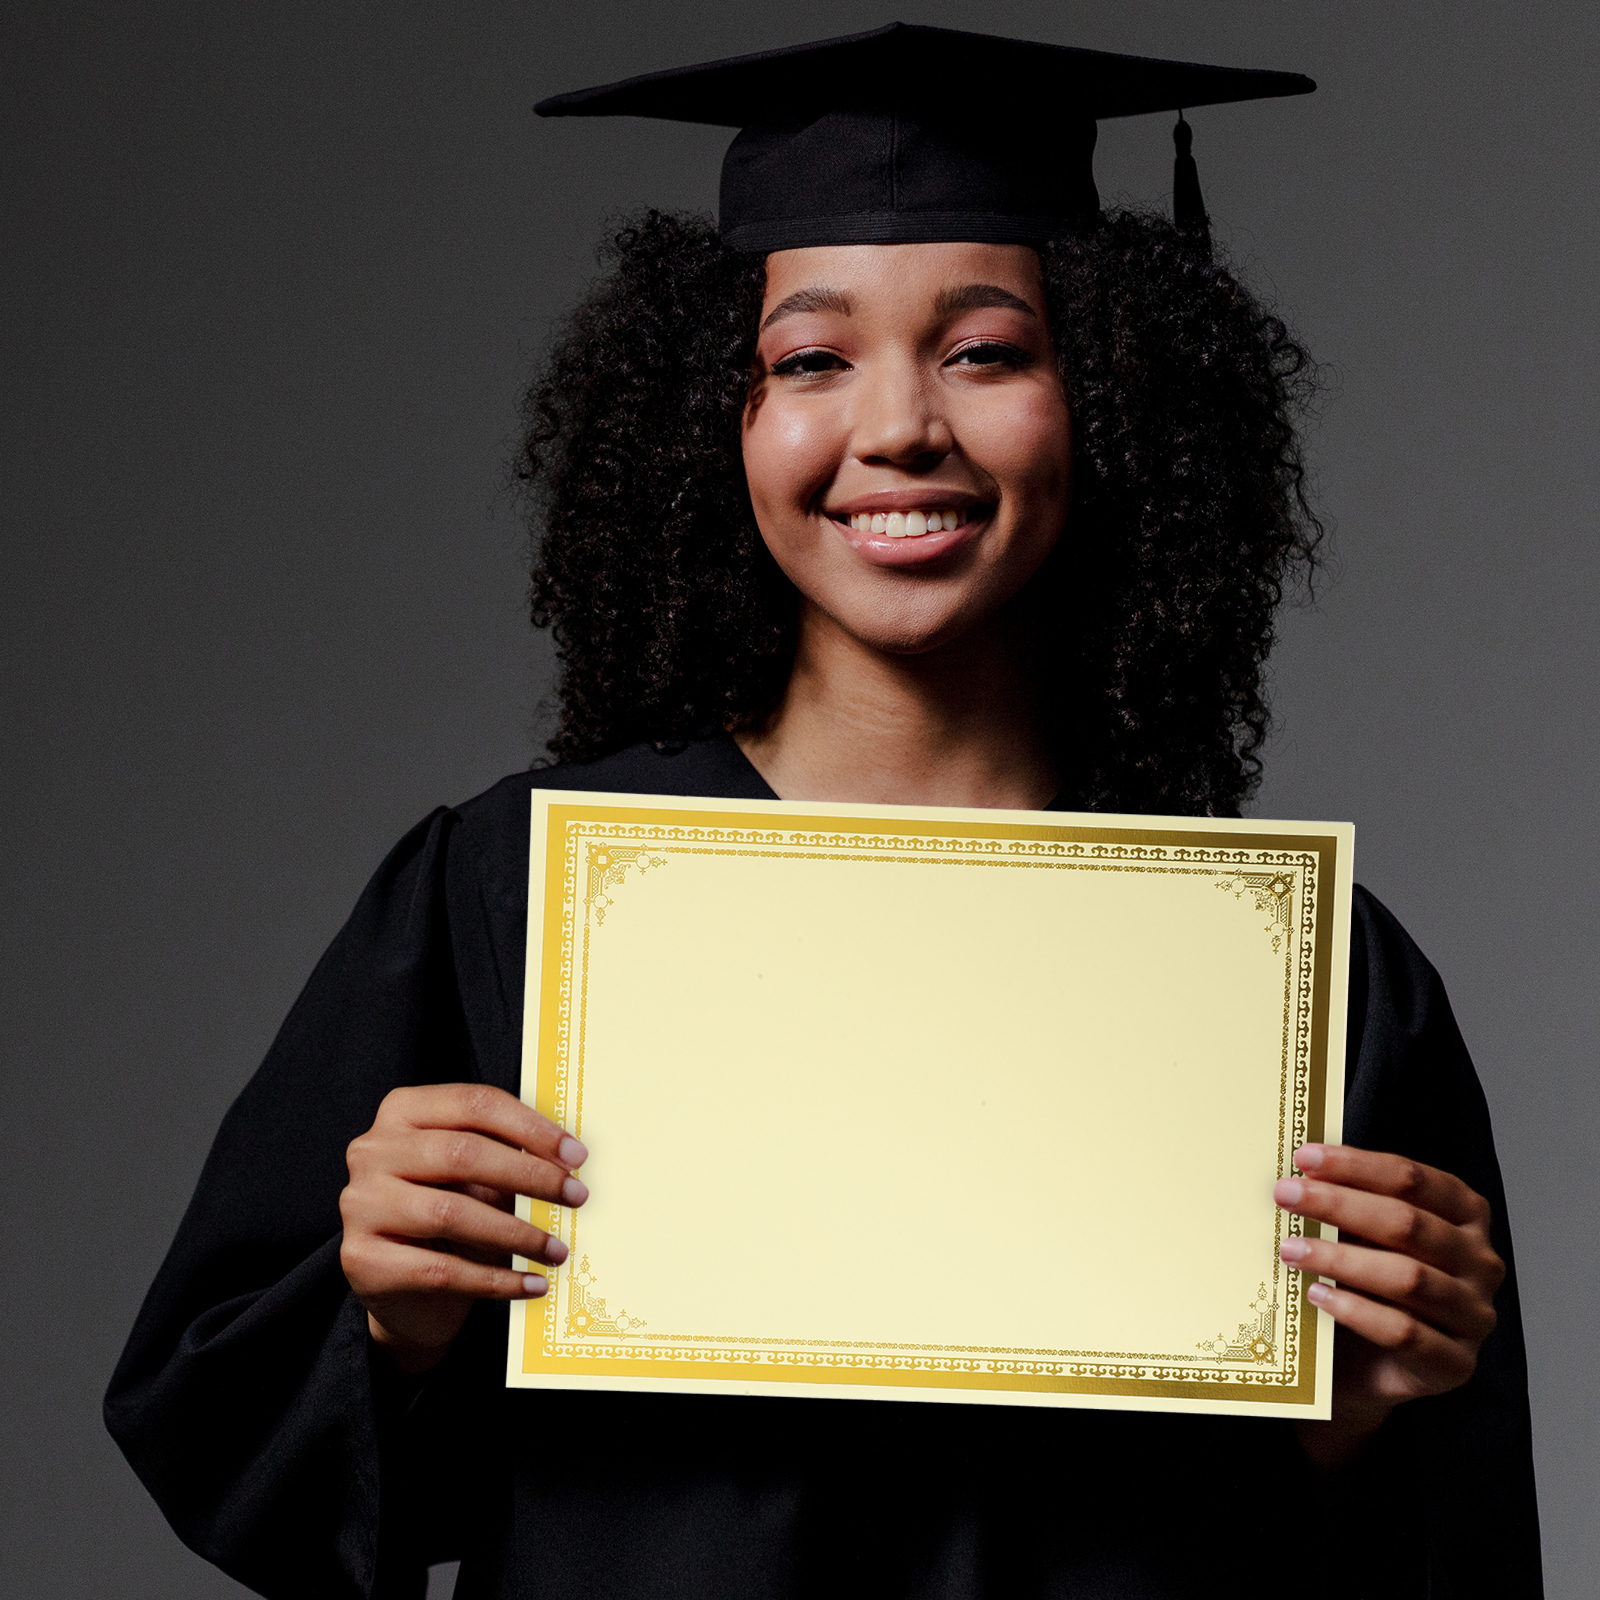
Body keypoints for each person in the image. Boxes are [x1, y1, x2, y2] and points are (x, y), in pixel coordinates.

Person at [105, 24, 1540, 1600]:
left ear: (1117, 400)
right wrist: (387, 1314)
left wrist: (1371, 1420)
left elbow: (1419, 1550)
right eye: (808, 359)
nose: (898, 427)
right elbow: (224, 1435)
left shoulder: (1298, 977)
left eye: (987, 350)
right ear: (708, 420)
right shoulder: (511, 897)